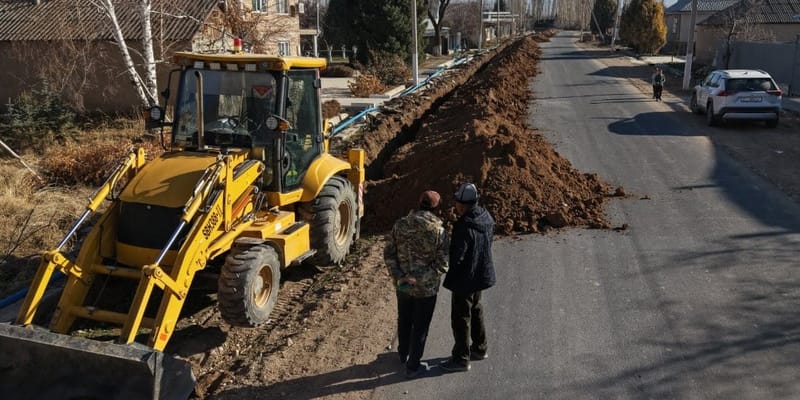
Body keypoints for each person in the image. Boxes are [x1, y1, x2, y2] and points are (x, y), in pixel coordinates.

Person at [384, 190, 449, 379]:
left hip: (403, 286)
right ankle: (413, 366)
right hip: (426, 290)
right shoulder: (439, 231)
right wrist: (419, 279)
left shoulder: (400, 224)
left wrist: (400, 277)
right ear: (437, 208)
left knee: (404, 319)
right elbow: (442, 264)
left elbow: (389, 254)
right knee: (421, 326)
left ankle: (403, 353)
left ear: (419, 202)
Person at [440, 183, 496, 373]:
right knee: (477, 308)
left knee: (461, 317)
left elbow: (458, 256)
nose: (455, 205)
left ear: (463, 205)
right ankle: (480, 348)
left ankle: (461, 359)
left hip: (465, 278)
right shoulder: (486, 217)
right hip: (480, 273)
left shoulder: (463, 226)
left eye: (457, 202)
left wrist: (447, 267)